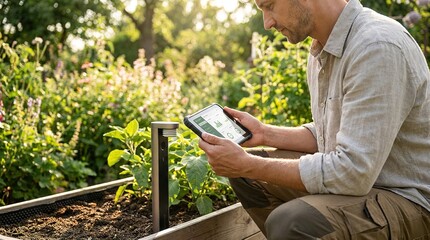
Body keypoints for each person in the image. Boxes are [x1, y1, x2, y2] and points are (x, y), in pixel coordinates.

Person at [198, 0, 430, 239]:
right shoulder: (324, 48)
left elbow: (353, 172)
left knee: (293, 222)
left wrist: (248, 164)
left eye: (269, 5)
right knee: (249, 177)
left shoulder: (377, 46)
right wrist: (265, 134)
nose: (267, 23)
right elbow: (330, 133)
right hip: (364, 187)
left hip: (410, 201)